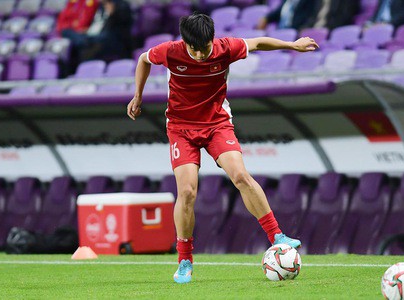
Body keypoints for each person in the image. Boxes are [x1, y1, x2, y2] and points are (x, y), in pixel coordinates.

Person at [127, 13, 318, 284]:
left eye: (205, 48)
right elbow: (143, 60)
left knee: (240, 176)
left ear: (211, 41)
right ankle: (184, 260)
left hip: (217, 124)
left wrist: (292, 45)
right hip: (181, 128)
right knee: (187, 191)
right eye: (194, 49)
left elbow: (259, 43)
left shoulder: (225, 48)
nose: (201, 54)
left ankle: (277, 235)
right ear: (185, 42)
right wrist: (138, 95)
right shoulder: (169, 52)